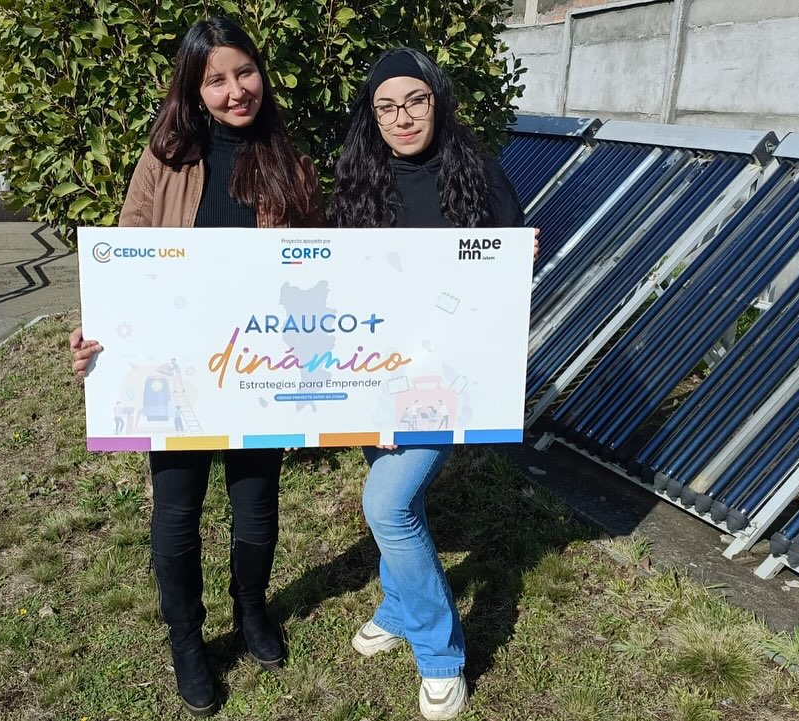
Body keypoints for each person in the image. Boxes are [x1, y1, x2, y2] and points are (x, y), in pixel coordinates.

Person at [70, 17, 323, 717]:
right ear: (194, 88)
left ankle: (251, 608)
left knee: (257, 505)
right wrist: (95, 330)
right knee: (177, 511)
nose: (236, 90)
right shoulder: (164, 161)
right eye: (216, 79)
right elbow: (123, 260)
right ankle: (186, 639)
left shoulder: (290, 164)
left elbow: (320, 272)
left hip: (259, 372)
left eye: (245, 72)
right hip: (176, 374)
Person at [328, 48, 536, 721]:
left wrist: (523, 258)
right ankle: (398, 604)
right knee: (401, 501)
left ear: (437, 101)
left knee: (387, 505)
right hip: (372, 374)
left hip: (447, 379)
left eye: (415, 100)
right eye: (386, 106)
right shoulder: (357, 179)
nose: (402, 117)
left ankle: (441, 655)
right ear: (372, 116)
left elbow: (506, 279)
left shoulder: (478, 173)